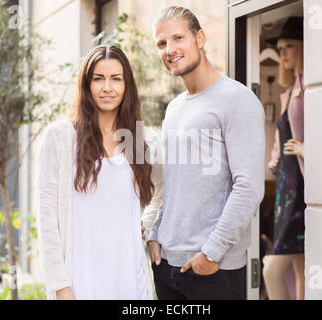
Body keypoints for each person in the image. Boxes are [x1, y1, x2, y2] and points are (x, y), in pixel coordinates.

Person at [147, 6, 265, 300]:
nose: (170, 49)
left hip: (213, 272)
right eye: (162, 43)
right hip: (167, 267)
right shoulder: (174, 109)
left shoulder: (237, 100)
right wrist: (155, 234)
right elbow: (172, 185)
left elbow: (249, 187)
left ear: (199, 38)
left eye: (178, 38)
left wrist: (211, 254)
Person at [35, 45, 163, 300]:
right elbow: (47, 222)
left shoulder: (144, 141)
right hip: (79, 285)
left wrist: (147, 226)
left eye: (116, 78)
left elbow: (163, 192)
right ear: (86, 85)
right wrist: (61, 287)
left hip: (131, 284)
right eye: (98, 79)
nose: (108, 87)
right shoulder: (59, 138)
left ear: (127, 86)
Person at [262, 16, 306, 300]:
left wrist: (306, 148)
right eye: (280, 48)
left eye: (289, 46)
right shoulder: (288, 92)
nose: (283, 54)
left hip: (301, 189)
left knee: (270, 269)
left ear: (303, 47)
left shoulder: (312, 89)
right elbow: (281, 138)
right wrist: (274, 159)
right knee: (301, 266)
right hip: (285, 187)